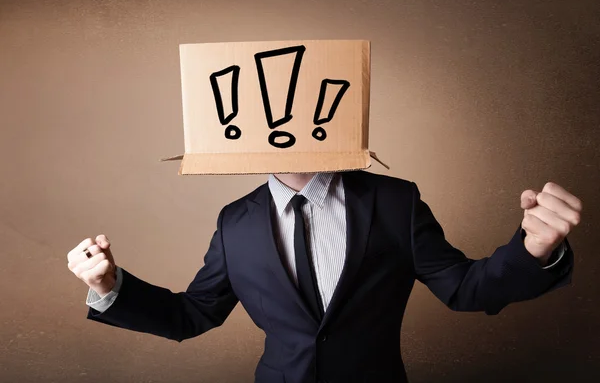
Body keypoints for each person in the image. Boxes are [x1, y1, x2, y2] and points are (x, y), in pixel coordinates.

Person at [66, 171, 581, 383]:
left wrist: (532, 250)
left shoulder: (394, 200)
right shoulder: (235, 220)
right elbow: (192, 314)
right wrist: (109, 289)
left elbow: (465, 288)